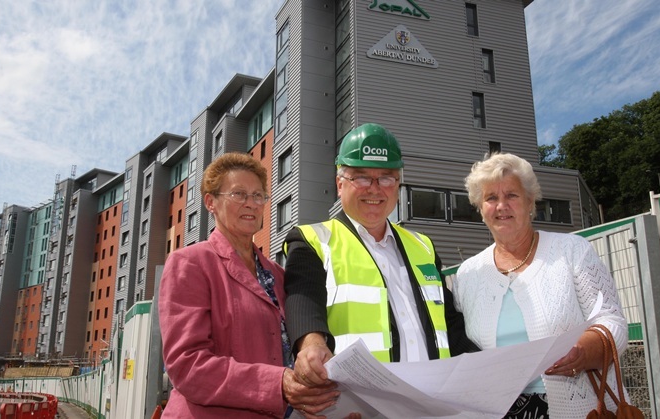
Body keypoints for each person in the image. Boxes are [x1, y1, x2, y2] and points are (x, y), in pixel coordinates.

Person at [284, 123, 479, 415]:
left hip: (430, 407)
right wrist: (310, 343)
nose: (374, 189)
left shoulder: (422, 245)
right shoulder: (312, 239)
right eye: (361, 177)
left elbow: (448, 323)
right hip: (359, 409)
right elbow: (303, 299)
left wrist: (487, 370)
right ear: (340, 184)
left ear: (398, 185)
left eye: (386, 178)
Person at [159, 152, 339, 418]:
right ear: (211, 202)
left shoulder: (278, 275)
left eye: (258, 196)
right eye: (239, 194)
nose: (251, 204)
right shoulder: (190, 263)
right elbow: (188, 366)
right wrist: (277, 384)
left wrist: (310, 397)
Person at [454, 152, 629, 418]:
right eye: (491, 198)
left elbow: (612, 320)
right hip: (496, 410)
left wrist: (584, 350)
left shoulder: (571, 250)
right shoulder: (469, 272)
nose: (501, 206)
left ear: (530, 201)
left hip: (579, 408)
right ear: (480, 208)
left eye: (511, 195)